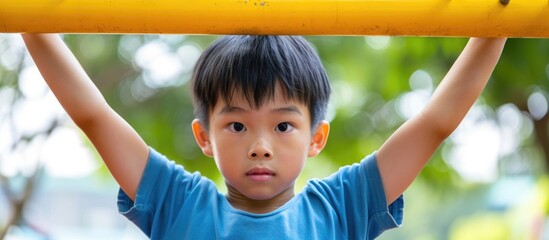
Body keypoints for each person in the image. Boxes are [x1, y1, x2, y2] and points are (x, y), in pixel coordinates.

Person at [21, 34, 506, 239]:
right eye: (236, 125)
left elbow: (435, 123)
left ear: (316, 138)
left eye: (282, 125)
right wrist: (32, 25)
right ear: (204, 136)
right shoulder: (178, 202)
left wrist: (492, 32)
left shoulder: (342, 207)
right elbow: (92, 115)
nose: (260, 144)